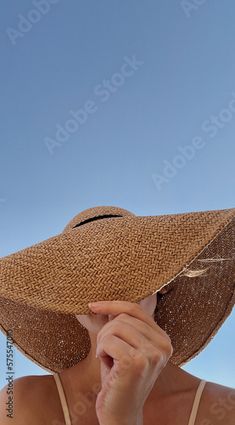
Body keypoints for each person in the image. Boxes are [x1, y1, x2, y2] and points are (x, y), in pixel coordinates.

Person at [0, 291, 234, 425]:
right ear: (66, 300)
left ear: (163, 286)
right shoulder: (23, 401)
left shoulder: (226, 407)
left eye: (130, 267)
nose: (111, 286)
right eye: (87, 273)